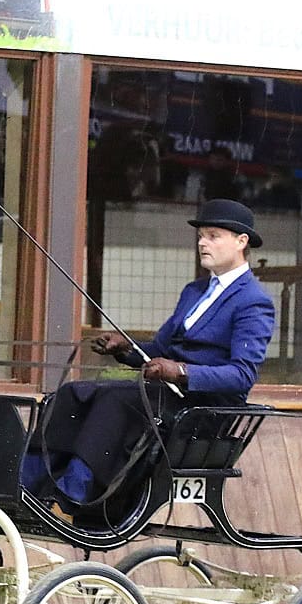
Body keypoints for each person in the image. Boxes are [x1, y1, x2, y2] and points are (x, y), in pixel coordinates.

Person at [32, 199, 276, 511]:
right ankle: (30, 483)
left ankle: (72, 494)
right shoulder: (194, 291)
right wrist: (125, 348)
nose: (202, 243)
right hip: (164, 395)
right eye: (201, 236)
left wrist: (181, 372)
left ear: (241, 242)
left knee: (116, 401)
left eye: (213, 236)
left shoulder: (253, 301)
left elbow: (242, 375)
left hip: (202, 409)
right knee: (73, 393)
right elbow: (160, 351)